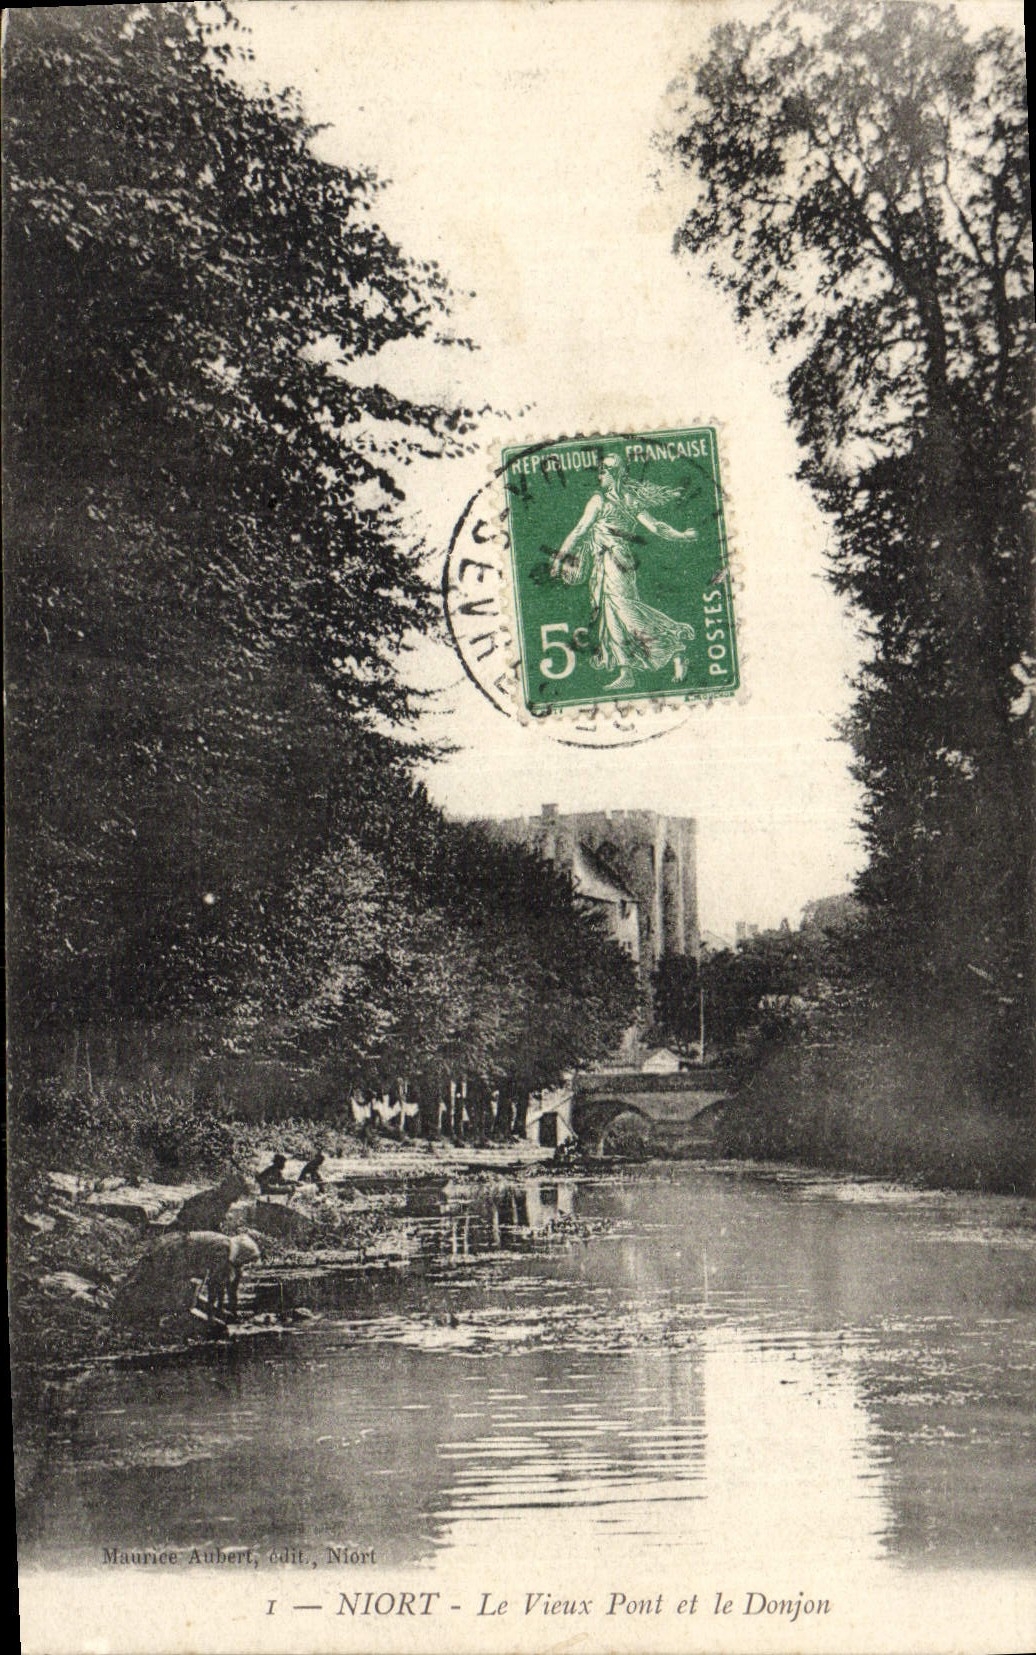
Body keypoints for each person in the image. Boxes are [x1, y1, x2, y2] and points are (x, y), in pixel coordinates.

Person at [550, 452, 697, 691]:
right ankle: (626, 671)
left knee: (625, 611)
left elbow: (655, 526)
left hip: (616, 563)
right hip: (608, 563)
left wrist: (681, 536)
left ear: (616, 474)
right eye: (600, 470)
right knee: (612, 615)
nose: (600, 475)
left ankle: (675, 647)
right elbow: (579, 532)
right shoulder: (618, 500)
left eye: (604, 470)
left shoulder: (609, 501)